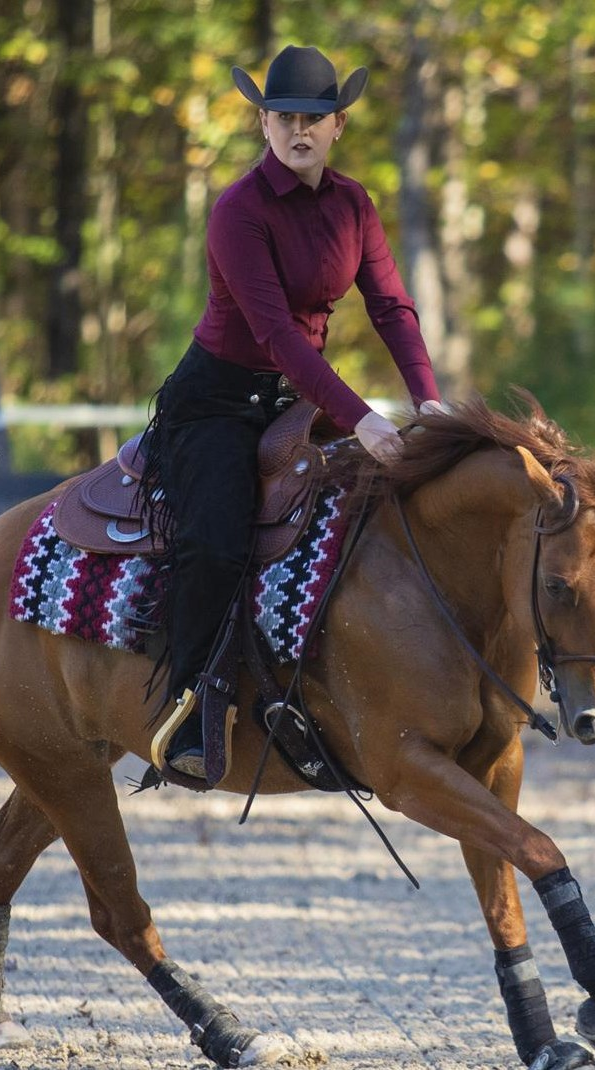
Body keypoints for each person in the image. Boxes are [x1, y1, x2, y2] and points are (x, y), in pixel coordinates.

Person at [144, 45, 450, 780]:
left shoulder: (353, 204)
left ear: (339, 124)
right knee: (216, 539)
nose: (297, 129)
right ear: (262, 123)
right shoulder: (237, 211)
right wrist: (364, 417)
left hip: (297, 402)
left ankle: (330, 699)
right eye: (283, 116)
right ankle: (187, 709)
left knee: (369, 524)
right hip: (215, 402)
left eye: (313, 118)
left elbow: (390, 305)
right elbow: (277, 334)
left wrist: (426, 398)